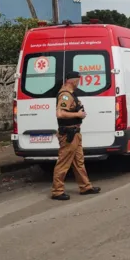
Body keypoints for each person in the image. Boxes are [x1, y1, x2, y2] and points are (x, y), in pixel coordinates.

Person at [51, 71, 101, 201]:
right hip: (69, 134)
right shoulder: (65, 96)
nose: (79, 83)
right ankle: (57, 191)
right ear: (72, 81)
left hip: (75, 133)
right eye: (78, 81)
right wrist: (77, 115)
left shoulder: (71, 94)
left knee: (79, 162)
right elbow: (60, 114)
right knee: (63, 163)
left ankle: (85, 186)